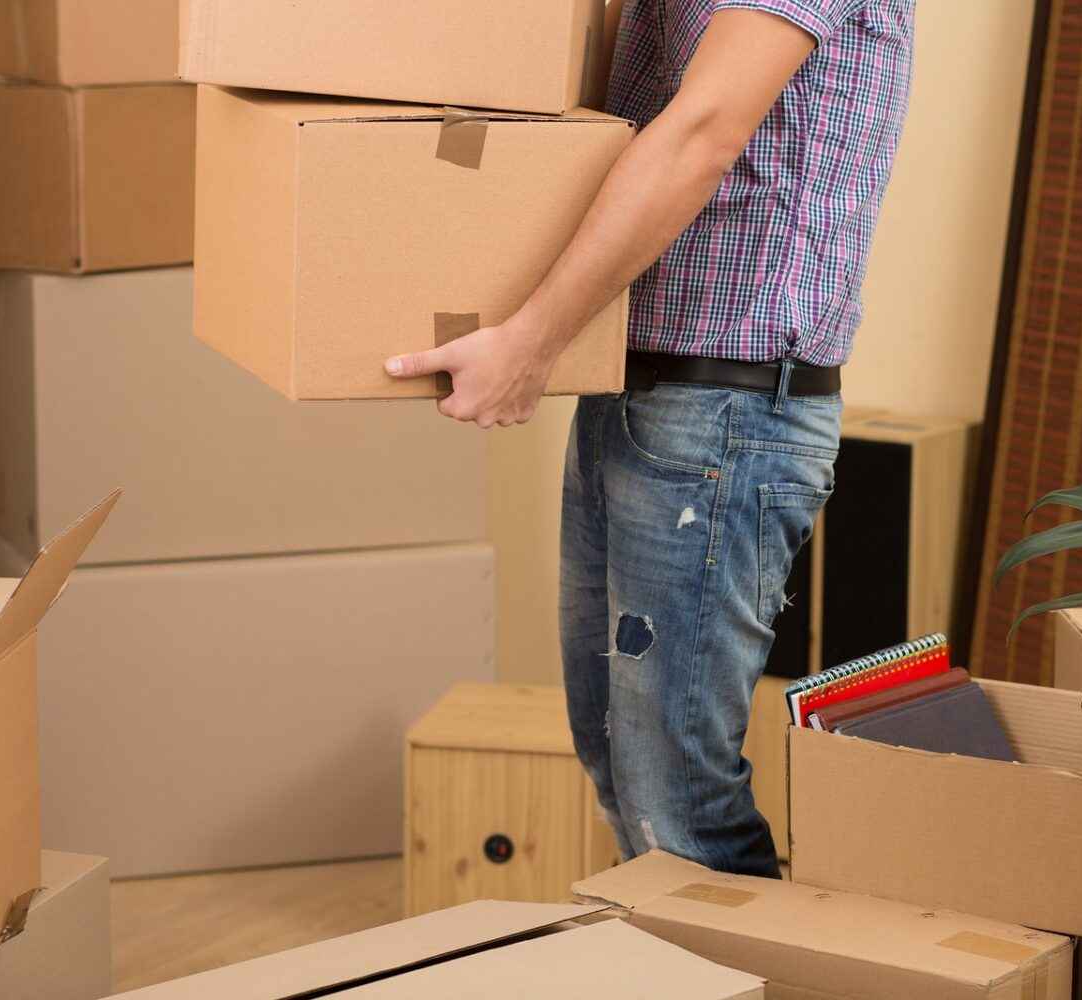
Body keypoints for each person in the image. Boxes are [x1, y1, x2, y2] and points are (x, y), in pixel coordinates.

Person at [385, 0, 914, 876]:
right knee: (620, 767)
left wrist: (529, 341)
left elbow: (703, 132)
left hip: (725, 415)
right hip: (639, 382)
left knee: (680, 803)